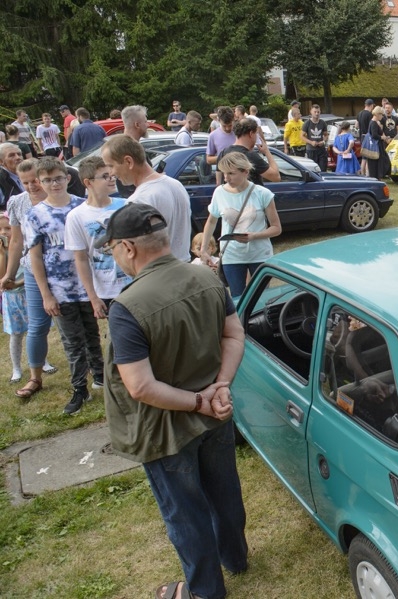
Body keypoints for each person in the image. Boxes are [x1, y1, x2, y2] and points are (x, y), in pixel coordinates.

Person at [96, 202, 248, 599]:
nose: (114, 256)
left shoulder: (127, 306)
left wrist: (200, 401)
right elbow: (234, 335)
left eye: (111, 248)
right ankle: (236, 557)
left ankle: (204, 592)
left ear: (128, 248)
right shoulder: (209, 278)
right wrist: (221, 387)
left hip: (167, 429)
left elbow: (141, 387)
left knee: (186, 513)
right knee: (225, 491)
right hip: (217, 413)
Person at [26, 158, 104, 415]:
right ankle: (79, 387)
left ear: (67, 178)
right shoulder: (36, 215)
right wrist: (46, 294)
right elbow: (35, 256)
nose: (54, 184)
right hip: (60, 289)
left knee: (92, 333)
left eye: (58, 178)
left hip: (88, 286)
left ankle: (101, 376)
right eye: (47, 180)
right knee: (72, 341)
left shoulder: (82, 206)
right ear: (40, 182)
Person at [1, 159, 59, 395]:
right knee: (37, 325)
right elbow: (16, 241)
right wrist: (9, 274)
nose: (31, 186)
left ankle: (89, 371)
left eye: (34, 180)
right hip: (33, 270)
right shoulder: (17, 203)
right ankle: (35, 377)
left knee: (70, 322)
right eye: (25, 182)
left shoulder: (56, 197)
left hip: (60, 268)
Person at [200, 152, 281, 298]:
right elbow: (211, 221)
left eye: (231, 173)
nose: (226, 178)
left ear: (245, 172)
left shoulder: (263, 193)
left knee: (260, 298)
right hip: (232, 256)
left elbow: (276, 228)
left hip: (259, 255)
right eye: (224, 173)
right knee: (237, 298)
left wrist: (254, 236)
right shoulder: (219, 192)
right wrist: (203, 249)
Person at [101, 135, 192, 262]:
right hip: (183, 267)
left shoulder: (139, 201)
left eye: (111, 166)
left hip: (159, 273)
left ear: (129, 162)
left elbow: (138, 252)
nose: (111, 173)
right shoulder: (176, 184)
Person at [66, 156, 131, 321]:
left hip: (133, 282)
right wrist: (93, 297)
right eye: (105, 176)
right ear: (88, 183)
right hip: (107, 289)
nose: (111, 179)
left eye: (112, 175)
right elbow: (80, 259)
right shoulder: (76, 216)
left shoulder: (126, 205)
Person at [1, 211, 28, 382]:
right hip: (11, 298)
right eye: (0, 230)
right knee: (16, 334)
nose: (4, 232)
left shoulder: (24, 248)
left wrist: (18, 283)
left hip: (28, 293)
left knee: (37, 330)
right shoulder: (1, 253)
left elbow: (31, 271)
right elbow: (2, 276)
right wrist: (2, 254)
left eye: (8, 228)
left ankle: (42, 360)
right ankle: (16, 368)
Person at [217, 118, 280, 185]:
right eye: (256, 134)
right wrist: (267, 151)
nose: (256, 137)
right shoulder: (250, 156)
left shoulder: (223, 153)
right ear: (251, 134)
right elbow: (276, 177)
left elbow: (218, 182)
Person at [365, 107, 391, 180]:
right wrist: (382, 138)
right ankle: (377, 178)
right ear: (377, 114)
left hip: (377, 147)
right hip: (376, 147)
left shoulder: (374, 122)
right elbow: (374, 135)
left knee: (379, 163)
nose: (382, 116)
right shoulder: (373, 123)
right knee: (377, 165)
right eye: (381, 115)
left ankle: (378, 177)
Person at [302, 104, 329, 172]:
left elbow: (326, 135)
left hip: (321, 150)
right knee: (313, 170)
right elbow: (301, 136)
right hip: (311, 150)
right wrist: (311, 142)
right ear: (311, 112)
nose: (317, 114)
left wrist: (323, 141)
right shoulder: (307, 123)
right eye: (315, 112)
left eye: (318, 112)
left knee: (323, 169)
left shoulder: (322, 123)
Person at [0, 143, 24, 209]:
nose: (18, 158)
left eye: (19, 154)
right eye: (11, 155)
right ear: (1, 161)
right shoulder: (1, 181)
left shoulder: (29, 175)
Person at [357, 99, 375, 176]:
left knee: (364, 157)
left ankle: (362, 173)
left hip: (361, 136)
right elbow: (372, 126)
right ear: (371, 105)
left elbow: (356, 125)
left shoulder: (359, 113)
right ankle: (368, 174)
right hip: (368, 137)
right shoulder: (369, 114)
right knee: (368, 156)